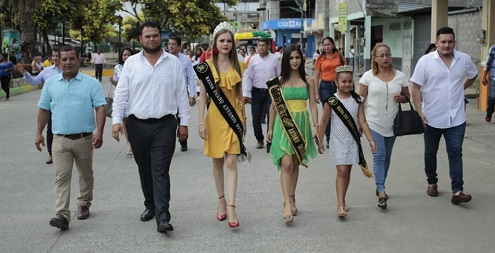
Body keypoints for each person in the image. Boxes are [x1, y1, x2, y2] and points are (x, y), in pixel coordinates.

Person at [112, 21, 190, 233]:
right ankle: (150, 205)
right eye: (147, 36)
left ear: (160, 37)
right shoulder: (131, 64)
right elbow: (121, 93)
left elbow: (181, 94)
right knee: (144, 168)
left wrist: (184, 123)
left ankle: (163, 217)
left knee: (160, 171)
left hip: (165, 124)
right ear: (141, 39)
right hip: (137, 125)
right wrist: (116, 120)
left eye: (155, 35)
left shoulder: (173, 63)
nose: (152, 39)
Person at [35, 45, 106, 230]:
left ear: (79, 60)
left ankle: (84, 203)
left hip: (84, 138)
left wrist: (99, 131)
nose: (67, 62)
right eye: (63, 59)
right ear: (58, 61)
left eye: (71, 59)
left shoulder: (91, 83)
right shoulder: (51, 84)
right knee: (62, 177)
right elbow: (44, 109)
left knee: (85, 175)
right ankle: (62, 214)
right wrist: (39, 133)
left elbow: (100, 107)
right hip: (60, 139)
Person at [411, 27, 478, 205]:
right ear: (437, 42)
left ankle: (458, 191)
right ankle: (432, 182)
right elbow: (415, 87)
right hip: (431, 117)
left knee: (455, 152)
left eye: (450, 41)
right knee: (430, 152)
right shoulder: (425, 61)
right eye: (443, 42)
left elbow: (473, 75)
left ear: (454, 42)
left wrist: (460, 88)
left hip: (456, 117)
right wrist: (419, 111)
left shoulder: (464, 59)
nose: (447, 45)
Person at [198, 27, 247, 229]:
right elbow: (203, 96)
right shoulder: (206, 67)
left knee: (231, 162)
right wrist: (201, 122)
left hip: (233, 117)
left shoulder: (239, 65)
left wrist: (244, 120)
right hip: (214, 118)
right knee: (217, 162)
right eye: (222, 41)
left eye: (229, 41)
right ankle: (221, 200)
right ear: (215, 44)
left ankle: (232, 207)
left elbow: (240, 95)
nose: (226, 44)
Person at [266, 45, 318, 224]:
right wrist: (270, 128)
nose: (295, 61)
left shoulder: (309, 80)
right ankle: (286, 202)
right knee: (286, 163)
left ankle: (292, 195)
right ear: (286, 60)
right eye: (291, 58)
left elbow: (312, 104)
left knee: (295, 163)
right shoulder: (278, 81)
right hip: (284, 124)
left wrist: (316, 125)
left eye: (297, 58)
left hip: (301, 123)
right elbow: (273, 106)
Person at [318, 65, 376, 218]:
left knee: (347, 171)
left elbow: (362, 121)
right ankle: (340, 204)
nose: (347, 84)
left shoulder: (357, 100)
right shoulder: (331, 101)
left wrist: (370, 140)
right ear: (336, 83)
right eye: (343, 81)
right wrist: (320, 140)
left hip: (351, 140)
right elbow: (323, 122)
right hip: (337, 140)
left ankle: (343, 200)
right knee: (341, 171)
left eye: (350, 81)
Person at [358, 43, 410, 209]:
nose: (385, 58)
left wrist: (402, 98)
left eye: (387, 55)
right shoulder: (367, 77)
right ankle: (381, 191)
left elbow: (407, 97)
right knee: (379, 155)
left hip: (393, 124)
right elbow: (360, 101)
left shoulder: (400, 76)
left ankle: (380, 183)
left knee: (387, 156)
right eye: (381, 55)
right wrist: (359, 121)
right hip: (373, 122)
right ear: (375, 58)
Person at [17, 48, 62, 164]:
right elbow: (35, 81)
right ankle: (52, 154)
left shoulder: (68, 71)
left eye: (58, 56)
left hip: (66, 106)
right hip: (51, 106)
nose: (55, 58)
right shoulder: (46, 71)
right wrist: (25, 74)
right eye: (53, 56)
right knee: (50, 130)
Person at [242, 39, 281, 149]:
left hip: (271, 92)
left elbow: (279, 75)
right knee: (256, 119)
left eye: (264, 45)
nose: (261, 47)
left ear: (268, 46)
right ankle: (259, 139)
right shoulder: (253, 60)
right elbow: (248, 77)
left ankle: (270, 141)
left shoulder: (275, 59)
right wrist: (247, 93)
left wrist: (279, 91)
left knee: (271, 117)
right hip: (257, 92)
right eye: (259, 45)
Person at [314, 37, 346, 148]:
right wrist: (316, 93)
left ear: (333, 45)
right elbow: (316, 76)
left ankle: (340, 136)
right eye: (325, 45)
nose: (327, 47)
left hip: (339, 87)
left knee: (339, 112)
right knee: (328, 113)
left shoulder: (340, 57)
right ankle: (329, 138)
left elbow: (346, 72)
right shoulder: (320, 59)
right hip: (325, 88)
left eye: (329, 44)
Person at [168, 36, 197, 152]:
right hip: (168, 94)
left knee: (181, 119)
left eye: (173, 44)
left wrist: (192, 95)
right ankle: (168, 144)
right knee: (169, 121)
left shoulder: (185, 60)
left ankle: (183, 142)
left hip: (182, 93)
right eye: (169, 44)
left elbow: (190, 78)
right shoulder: (164, 58)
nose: (171, 46)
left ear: (179, 46)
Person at [109, 47, 134, 157]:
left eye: (128, 54)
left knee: (133, 121)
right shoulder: (118, 67)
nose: (126, 57)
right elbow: (118, 82)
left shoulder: (136, 66)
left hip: (134, 97)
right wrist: (112, 81)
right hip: (123, 98)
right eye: (124, 55)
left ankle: (135, 142)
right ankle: (129, 143)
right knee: (125, 121)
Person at [482, 43, 495, 122]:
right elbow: (488, 63)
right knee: (492, 97)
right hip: (494, 78)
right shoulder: (493, 49)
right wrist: (484, 77)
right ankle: (489, 113)